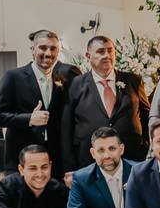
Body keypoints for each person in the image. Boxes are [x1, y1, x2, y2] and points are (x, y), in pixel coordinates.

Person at [0, 30, 81, 178]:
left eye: (53, 49)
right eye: (43, 48)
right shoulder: (13, 77)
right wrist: (29, 119)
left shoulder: (61, 78)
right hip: (23, 157)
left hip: (54, 159)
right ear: (33, 50)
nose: (48, 53)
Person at [61, 35, 150, 174]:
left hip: (131, 157)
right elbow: (66, 128)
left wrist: (145, 145)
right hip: (89, 161)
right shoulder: (75, 85)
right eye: (101, 51)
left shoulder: (133, 81)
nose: (107, 55)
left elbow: (147, 117)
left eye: (110, 51)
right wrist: (69, 168)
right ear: (88, 56)